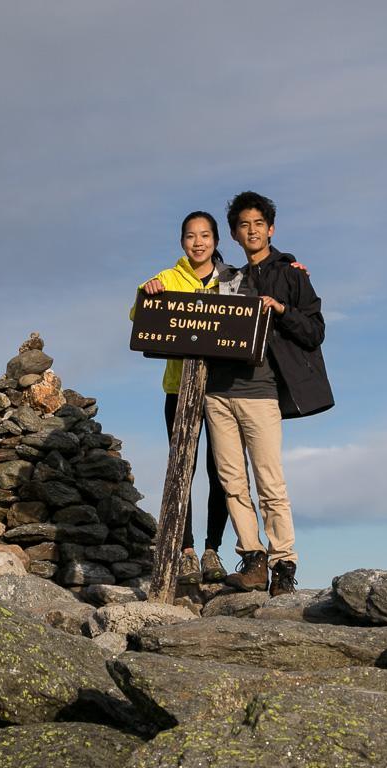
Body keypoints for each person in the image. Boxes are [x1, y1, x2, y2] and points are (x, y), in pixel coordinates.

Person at [204, 191, 333, 597]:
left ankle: (283, 566)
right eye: (244, 225)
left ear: (271, 229)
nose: (252, 230)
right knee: (231, 482)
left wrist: (280, 310)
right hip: (217, 393)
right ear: (234, 234)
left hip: (261, 392)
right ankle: (253, 559)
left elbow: (315, 331)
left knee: (269, 482)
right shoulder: (228, 279)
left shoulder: (292, 274)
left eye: (259, 223)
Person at [132, 211, 231, 585]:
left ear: (215, 241)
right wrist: (147, 292)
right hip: (178, 390)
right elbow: (138, 313)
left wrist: (291, 267)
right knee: (181, 470)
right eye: (191, 236)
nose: (198, 242)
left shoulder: (231, 280)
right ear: (182, 242)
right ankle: (185, 551)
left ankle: (212, 549)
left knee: (221, 471)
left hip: (221, 390)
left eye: (205, 235)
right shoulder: (169, 277)